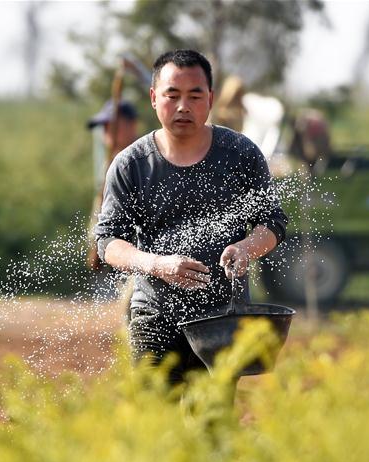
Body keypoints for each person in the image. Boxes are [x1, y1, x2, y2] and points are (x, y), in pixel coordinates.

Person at [93, 49, 288, 390]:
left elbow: (272, 222)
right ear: (154, 98)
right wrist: (156, 264)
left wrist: (245, 248)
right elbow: (108, 241)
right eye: (172, 95)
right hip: (153, 314)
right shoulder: (131, 164)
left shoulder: (241, 155)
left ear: (210, 99)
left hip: (221, 318)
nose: (183, 106)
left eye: (194, 96)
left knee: (212, 416)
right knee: (155, 415)